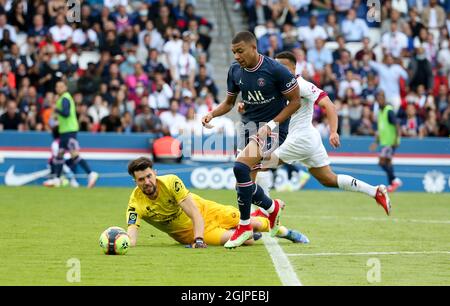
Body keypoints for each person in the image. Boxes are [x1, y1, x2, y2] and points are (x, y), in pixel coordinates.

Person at [201, 31, 302, 248]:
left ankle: (244, 225)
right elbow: (229, 103)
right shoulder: (235, 71)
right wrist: (212, 114)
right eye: (233, 52)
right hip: (247, 128)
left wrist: (271, 125)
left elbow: (295, 102)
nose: (236, 56)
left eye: (240, 51)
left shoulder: (276, 70)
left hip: (271, 130)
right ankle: (272, 208)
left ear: (253, 48)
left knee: (239, 168)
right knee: (244, 185)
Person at [259, 51, 391, 215]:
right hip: (308, 139)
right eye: (276, 65)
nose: (279, 69)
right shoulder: (277, 86)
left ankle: (266, 212)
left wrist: (333, 131)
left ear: (294, 68)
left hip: (300, 139)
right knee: (328, 179)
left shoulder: (301, 84)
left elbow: (328, 105)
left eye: (283, 66)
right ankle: (374, 191)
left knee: (261, 164)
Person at [125, 157, 309, 248]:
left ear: (155, 173)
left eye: (149, 176)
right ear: (136, 181)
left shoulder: (171, 182)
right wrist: (120, 240)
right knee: (246, 241)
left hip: (208, 212)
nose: (147, 182)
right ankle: (255, 224)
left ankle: (285, 231)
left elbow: (195, 213)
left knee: (254, 224)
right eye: (141, 179)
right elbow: (132, 236)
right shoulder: (135, 203)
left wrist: (199, 240)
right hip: (191, 234)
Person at [52, 81, 99, 188]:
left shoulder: (65, 98)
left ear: (65, 87)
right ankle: (57, 179)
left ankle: (91, 173)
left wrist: (56, 110)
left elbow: (66, 113)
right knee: (60, 154)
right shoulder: (63, 98)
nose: (58, 88)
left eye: (61, 86)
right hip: (65, 131)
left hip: (69, 131)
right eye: (57, 86)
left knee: (73, 154)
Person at [370, 91, 402, 192]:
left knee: (382, 162)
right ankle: (391, 184)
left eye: (381, 98)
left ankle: (395, 180)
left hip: (390, 142)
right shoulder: (380, 112)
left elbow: (397, 125)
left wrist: (396, 139)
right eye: (378, 98)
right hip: (385, 142)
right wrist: (376, 142)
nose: (379, 100)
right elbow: (381, 129)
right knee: (388, 163)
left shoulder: (389, 110)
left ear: (384, 99)